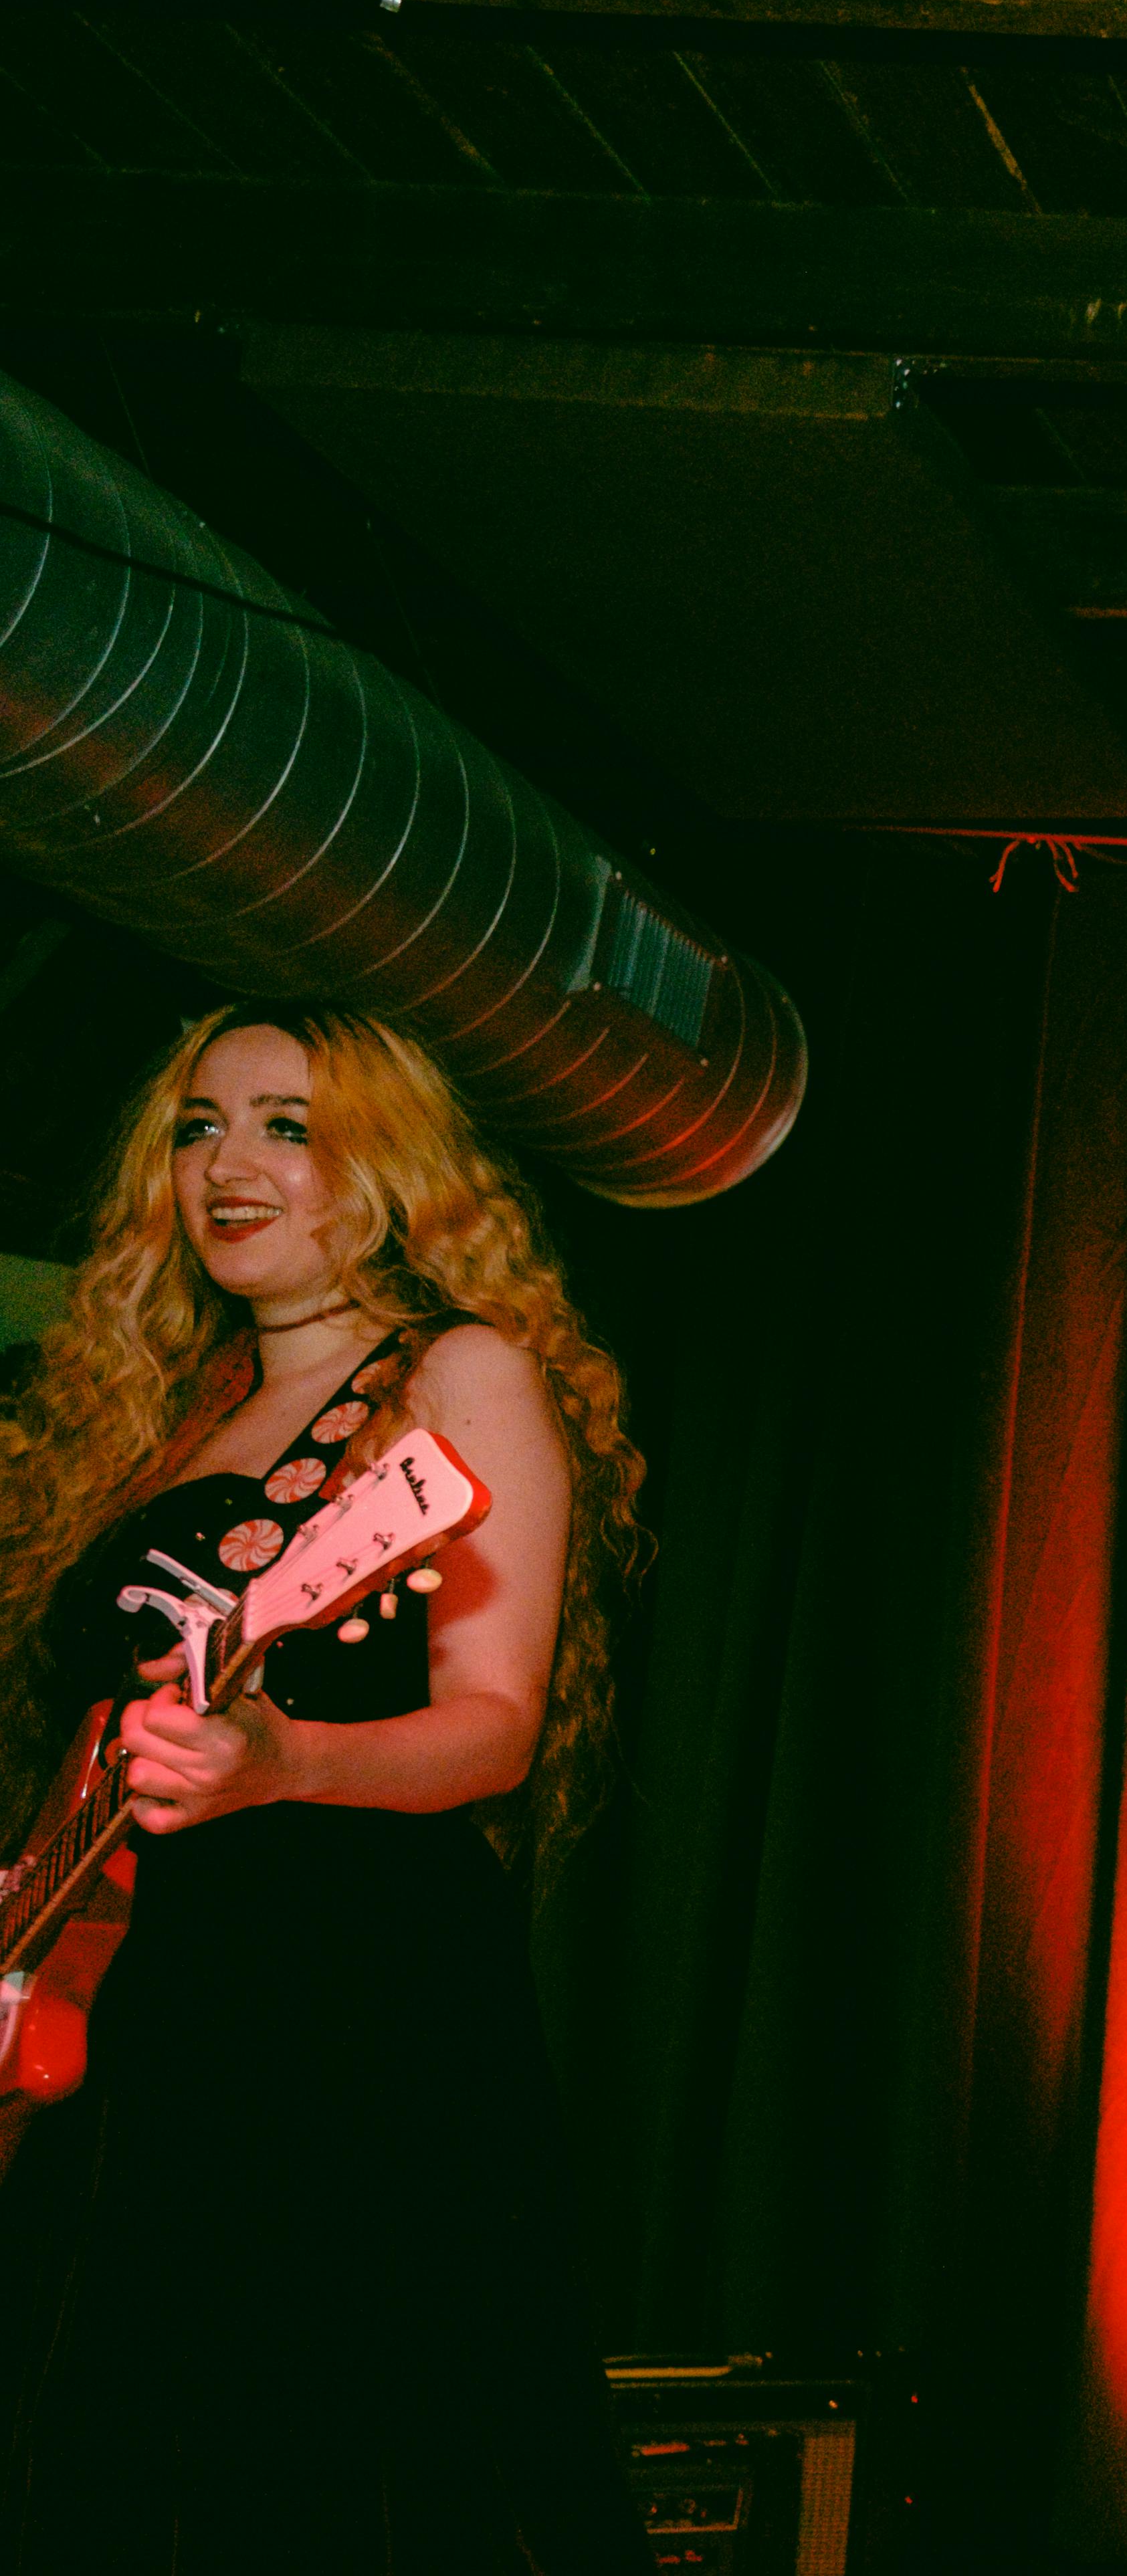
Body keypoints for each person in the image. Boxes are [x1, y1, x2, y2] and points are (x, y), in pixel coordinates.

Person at [0, 1003, 647, 2572]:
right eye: (198, 1126)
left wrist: (285, 1756)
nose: (229, 1164)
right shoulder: (171, 1409)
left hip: (345, 1992)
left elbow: (493, 1722)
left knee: (331, 2450)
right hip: (134, 1998)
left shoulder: (455, 1374)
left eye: (287, 1124)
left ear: (390, 1162)